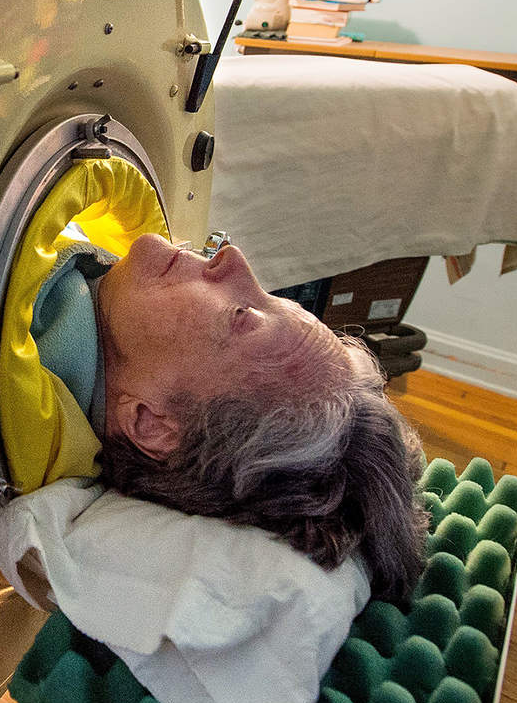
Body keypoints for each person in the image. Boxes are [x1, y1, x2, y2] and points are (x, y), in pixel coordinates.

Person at [55, 233, 429, 601]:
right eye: (269, 297)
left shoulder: (21, 335)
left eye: (241, 315)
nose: (232, 257)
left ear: (153, 424)